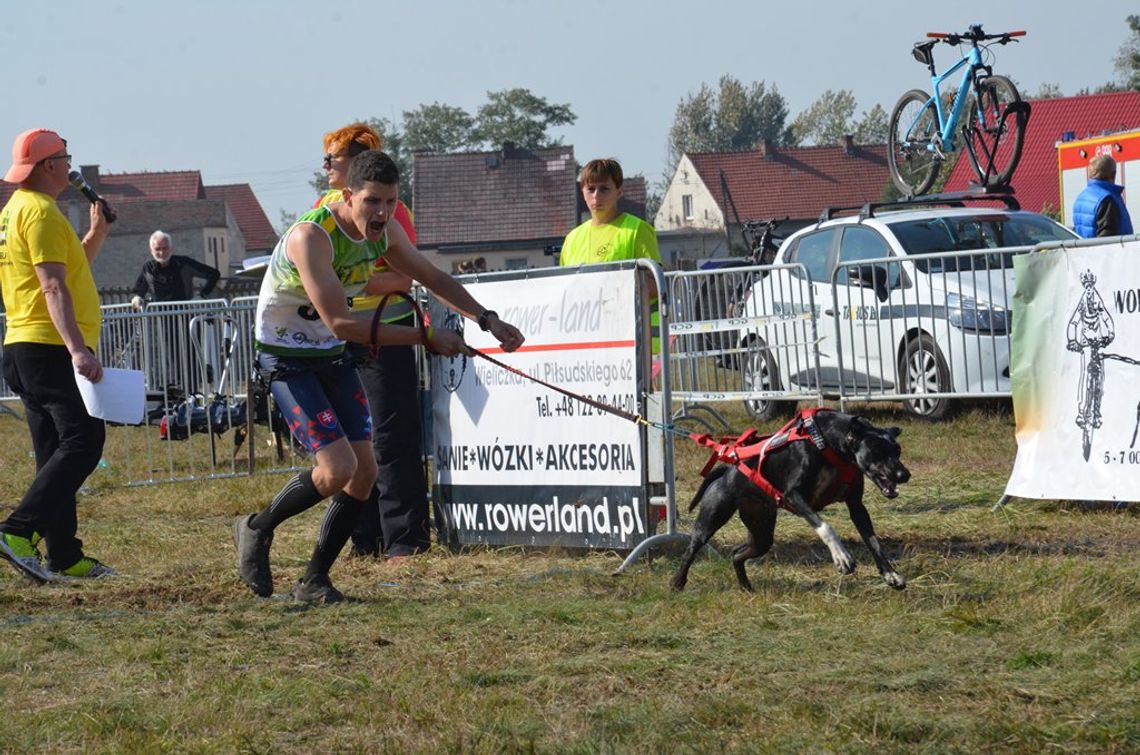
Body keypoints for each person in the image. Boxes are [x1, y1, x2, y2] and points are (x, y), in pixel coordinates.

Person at [233, 150, 524, 603]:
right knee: (337, 469)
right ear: (348, 196)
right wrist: (424, 337)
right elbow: (343, 324)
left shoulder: (383, 234)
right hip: (286, 357)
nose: (381, 212)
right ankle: (256, 527)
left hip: (328, 356)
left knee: (365, 472)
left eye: (389, 202)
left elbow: (430, 275)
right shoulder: (313, 237)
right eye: (371, 201)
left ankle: (314, 580)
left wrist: (488, 319)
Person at [0, 128, 117, 581]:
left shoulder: (16, 211)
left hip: (25, 345)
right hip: (48, 346)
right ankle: (17, 531)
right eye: (66, 158)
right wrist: (78, 350)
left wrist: (97, 232)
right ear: (49, 166)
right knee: (85, 441)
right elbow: (51, 286)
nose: (70, 166)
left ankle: (64, 554)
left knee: (54, 452)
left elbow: (68, 270)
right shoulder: (43, 214)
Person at [316, 122, 427, 560]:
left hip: (387, 338)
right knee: (351, 443)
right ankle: (362, 539)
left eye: (333, 159)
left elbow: (404, 275)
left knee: (391, 441)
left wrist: (347, 284)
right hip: (340, 341)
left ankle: (405, 541)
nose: (325, 166)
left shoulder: (389, 209)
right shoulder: (322, 207)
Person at [559, 158, 661, 267]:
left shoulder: (638, 230)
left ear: (619, 191)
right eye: (591, 189)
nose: (596, 196)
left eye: (604, 189)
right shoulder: (571, 239)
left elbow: (651, 280)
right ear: (583, 193)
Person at [129, 230, 221, 309]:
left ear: (171, 248)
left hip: (187, 316)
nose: (162, 252)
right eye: (157, 249)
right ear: (151, 250)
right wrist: (136, 298)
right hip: (161, 320)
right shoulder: (148, 268)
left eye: (165, 248)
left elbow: (214, 274)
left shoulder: (184, 263)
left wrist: (202, 295)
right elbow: (137, 292)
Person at [1072, 154, 1134, 239]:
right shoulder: (1107, 199)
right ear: (1113, 174)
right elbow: (1107, 236)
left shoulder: (1080, 198)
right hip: (1114, 251)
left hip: (1086, 250)